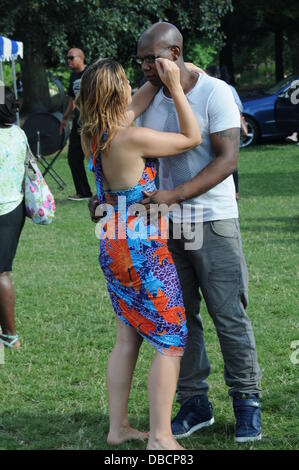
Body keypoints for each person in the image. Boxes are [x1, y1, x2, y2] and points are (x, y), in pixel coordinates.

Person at [136, 23, 262, 443]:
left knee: (229, 315)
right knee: (180, 318)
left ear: (173, 55)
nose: (145, 67)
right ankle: (195, 403)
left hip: (213, 221)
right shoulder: (150, 94)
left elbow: (227, 160)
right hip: (169, 227)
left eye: (151, 59)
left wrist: (174, 194)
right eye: (140, 60)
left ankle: (247, 401)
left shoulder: (216, 92)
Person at [79, 57, 201, 450]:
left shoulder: (95, 135)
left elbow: (135, 103)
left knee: (127, 335)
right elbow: (191, 136)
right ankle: (161, 437)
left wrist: (158, 76)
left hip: (112, 245)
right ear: (118, 94)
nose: (136, 87)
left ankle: (119, 428)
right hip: (140, 250)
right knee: (171, 337)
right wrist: (179, 89)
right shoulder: (131, 138)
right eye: (129, 83)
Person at [0, 88, 27, 350]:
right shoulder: (18, 134)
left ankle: (10, 336)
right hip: (14, 210)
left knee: (1, 274)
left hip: (3, 209)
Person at [59, 48, 92, 201]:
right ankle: (83, 192)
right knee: (73, 157)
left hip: (93, 120)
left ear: (80, 58)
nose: (68, 61)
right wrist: (65, 118)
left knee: (100, 156)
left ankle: (111, 190)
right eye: (67, 58)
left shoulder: (91, 72)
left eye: (71, 58)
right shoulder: (73, 77)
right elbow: (72, 100)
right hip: (78, 121)